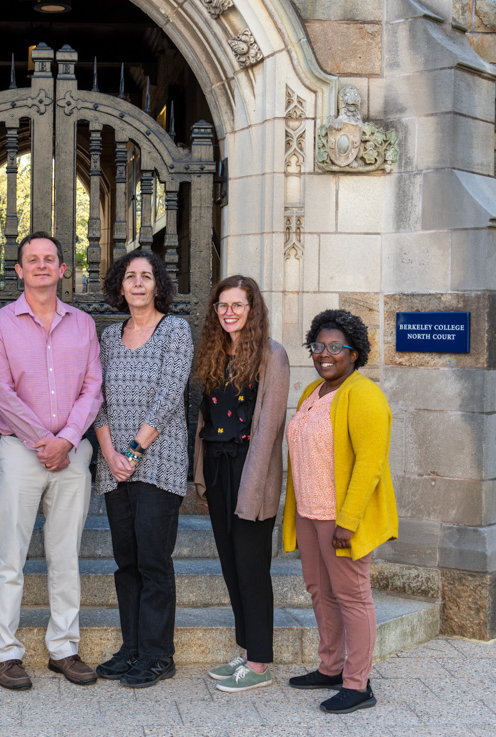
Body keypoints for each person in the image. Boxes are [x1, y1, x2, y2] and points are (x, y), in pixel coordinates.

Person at [0, 231, 103, 690]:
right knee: (9, 558)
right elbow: (1, 392)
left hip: (71, 454)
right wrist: (43, 441)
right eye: (31, 259)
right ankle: (7, 652)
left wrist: (68, 439)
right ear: (18, 270)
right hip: (20, 451)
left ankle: (63, 648)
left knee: (65, 556)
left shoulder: (83, 325)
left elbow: (93, 386)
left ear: (62, 269)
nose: (41, 266)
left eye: (49, 259)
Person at [283, 309, 398, 714]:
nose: (325, 354)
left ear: (354, 353)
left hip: (341, 517)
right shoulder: (313, 391)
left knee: (352, 596)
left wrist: (348, 522)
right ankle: (330, 667)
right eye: (318, 346)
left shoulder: (364, 394)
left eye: (335, 347)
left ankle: (358, 683)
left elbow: (370, 463)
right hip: (311, 513)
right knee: (320, 591)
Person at [92, 250, 193, 688]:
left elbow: (171, 393)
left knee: (153, 561)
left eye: (145, 277)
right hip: (114, 466)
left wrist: (133, 451)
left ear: (158, 285)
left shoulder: (175, 330)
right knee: (125, 562)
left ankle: (157, 654)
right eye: (130, 276)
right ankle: (131, 647)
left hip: (158, 463)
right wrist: (110, 453)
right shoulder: (109, 338)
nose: (137, 284)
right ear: (120, 285)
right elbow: (94, 397)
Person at [193, 275, 290, 693]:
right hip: (218, 470)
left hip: (252, 472)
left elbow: (268, 430)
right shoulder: (215, 352)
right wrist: (201, 473)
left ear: (254, 309)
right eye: (222, 305)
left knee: (252, 570)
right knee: (231, 569)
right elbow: (204, 418)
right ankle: (245, 648)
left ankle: (261, 663)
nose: (229, 312)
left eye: (238, 305)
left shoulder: (272, 356)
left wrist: (251, 487)